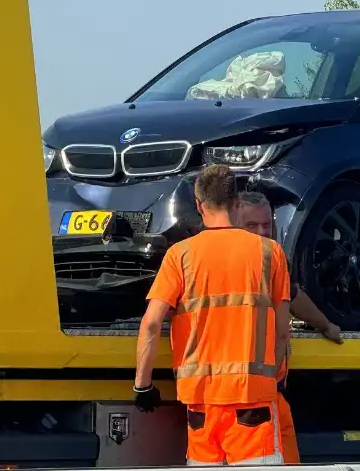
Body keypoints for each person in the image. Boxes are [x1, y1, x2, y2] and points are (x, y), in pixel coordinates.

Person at [132, 164, 291, 466]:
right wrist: (274, 378)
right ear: (235, 202)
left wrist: (143, 385)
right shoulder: (270, 253)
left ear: (198, 204)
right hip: (252, 400)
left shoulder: (180, 255)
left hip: (201, 404)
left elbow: (151, 323)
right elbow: (283, 331)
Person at [234, 191, 342, 465]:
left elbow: (293, 296)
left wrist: (326, 325)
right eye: (251, 226)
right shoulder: (237, 261)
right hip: (252, 394)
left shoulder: (271, 258)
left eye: (266, 225)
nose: (261, 232)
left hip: (268, 393)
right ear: (234, 224)